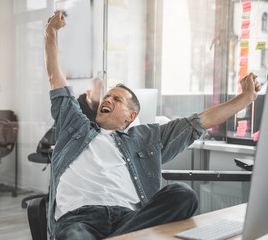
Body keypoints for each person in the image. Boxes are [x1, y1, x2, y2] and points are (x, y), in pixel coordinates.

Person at [44, 11, 261, 240]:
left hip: (129, 218)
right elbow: (57, 81)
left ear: (131, 116)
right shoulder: (76, 126)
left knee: (183, 194)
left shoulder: (147, 138)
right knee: (75, 235)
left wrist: (245, 99)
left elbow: (200, 121)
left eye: (117, 99)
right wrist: (51, 33)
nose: (107, 100)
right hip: (80, 219)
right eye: (106, 97)